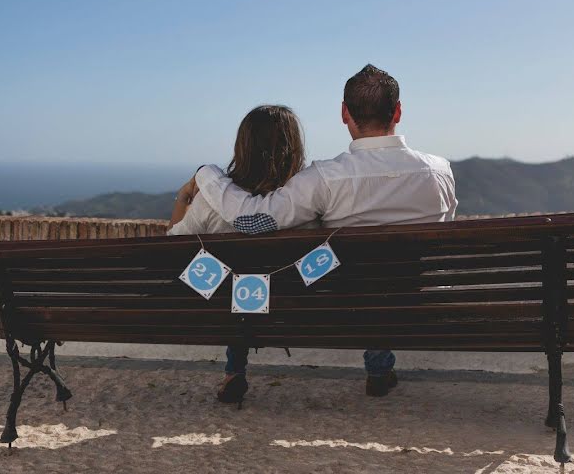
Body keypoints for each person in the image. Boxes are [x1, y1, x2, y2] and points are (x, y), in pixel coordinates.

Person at [186, 64, 458, 397]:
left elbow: (252, 221)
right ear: (398, 111)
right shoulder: (440, 172)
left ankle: (376, 364)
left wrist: (207, 175)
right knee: (388, 274)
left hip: (343, 304)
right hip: (416, 300)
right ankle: (380, 366)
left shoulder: (325, 179)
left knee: (360, 276)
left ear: (345, 114)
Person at [168, 104, 308, 405]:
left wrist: (183, 197)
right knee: (251, 284)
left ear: (242, 146)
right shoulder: (306, 201)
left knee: (237, 289)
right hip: (293, 306)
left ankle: (234, 372)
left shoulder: (212, 199)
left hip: (224, 308)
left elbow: (172, 246)